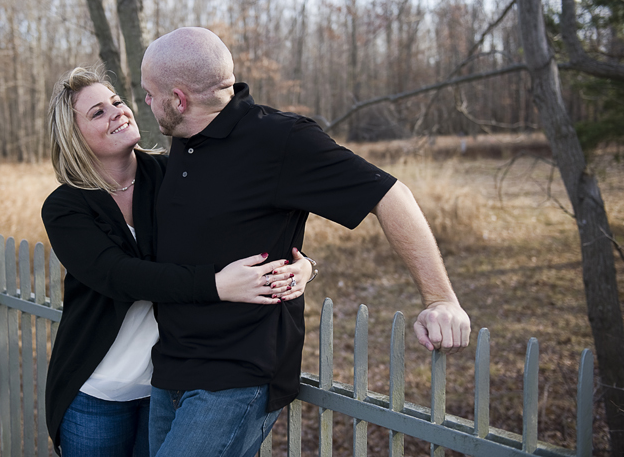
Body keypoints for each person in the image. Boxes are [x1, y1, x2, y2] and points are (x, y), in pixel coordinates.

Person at [140, 27, 472, 457]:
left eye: (150, 94)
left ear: (179, 98)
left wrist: (440, 298)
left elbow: (390, 196)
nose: (146, 102)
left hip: (236, 374)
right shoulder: (185, 140)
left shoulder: (281, 140)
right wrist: (307, 263)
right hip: (170, 367)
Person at [41, 67, 314, 456]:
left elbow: (239, 232)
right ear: (73, 135)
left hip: (168, 385)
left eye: (117, 102)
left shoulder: (173, 174)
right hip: (97, 393)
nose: (118, 111)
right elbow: (118, 275)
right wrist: (216, 284)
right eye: (98, 112)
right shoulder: (66, 206)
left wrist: (303, 267)